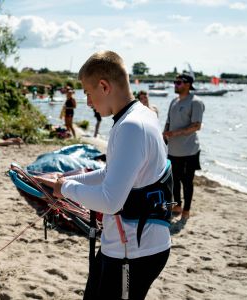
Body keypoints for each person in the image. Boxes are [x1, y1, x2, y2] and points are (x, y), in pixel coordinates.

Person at [38, 51, 171, 299]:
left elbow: (111, 201)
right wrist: (65, 181)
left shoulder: (132, 126)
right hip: (124, 246)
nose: (87, 102)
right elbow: (111, 173)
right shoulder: (140, 115)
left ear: (104, 86)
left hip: (134, 253)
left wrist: (63, 191)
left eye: (88, 93)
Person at [163, 74, 205, 219]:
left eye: (179, 82)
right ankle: (177, 205)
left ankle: (186, 210)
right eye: (175, 82)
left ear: (188, 84)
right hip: (173, 150)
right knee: (173, 180)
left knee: (187, 182)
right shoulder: (173, 101)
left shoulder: (195, 102)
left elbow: (196, 126)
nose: (175, 84)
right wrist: (164, 136)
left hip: (189, 151)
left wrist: (175, 133)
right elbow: (168, 122)